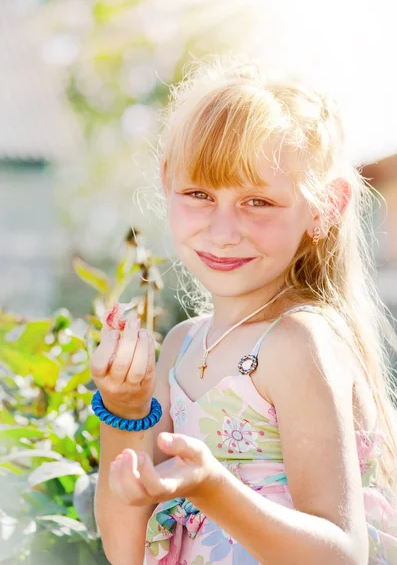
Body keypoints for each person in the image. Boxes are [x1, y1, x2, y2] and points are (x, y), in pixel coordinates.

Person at [89, 54, 397, 565]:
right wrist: (122, 408)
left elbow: (342, 555)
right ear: (167, 183)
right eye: (198, 194)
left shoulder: (297, 342)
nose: (223, 230)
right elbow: (125, 552)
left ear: (325, 208)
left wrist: (212, 487)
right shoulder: (182, 345)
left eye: (258, 201)